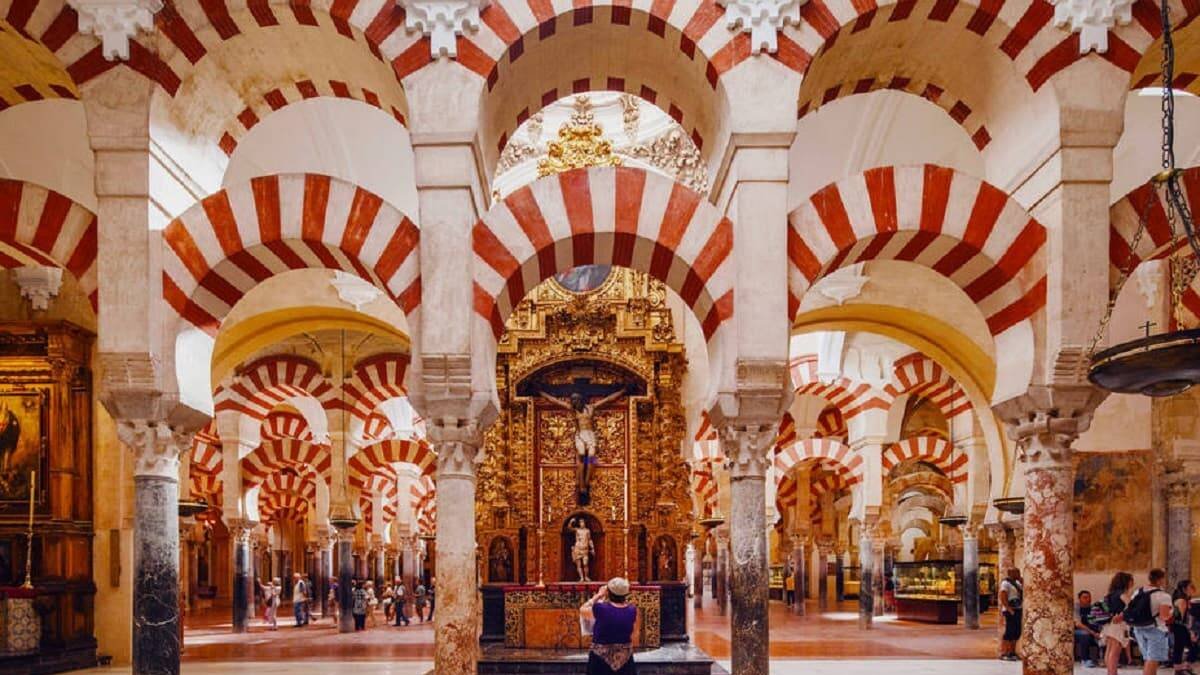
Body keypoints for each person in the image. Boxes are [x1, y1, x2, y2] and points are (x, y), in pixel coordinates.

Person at [580, 577, 638, 674]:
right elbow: (634, 631)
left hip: (601, 658)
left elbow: (583, 609)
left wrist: (598, 596)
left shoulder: (601, 608)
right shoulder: (632, 610)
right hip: (624, 657)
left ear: (608, 592)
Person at [1131, 569, 1174, 675]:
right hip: (1156, 629)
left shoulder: (1138, 591)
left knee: (1148, 659)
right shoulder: (1163, 596)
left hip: (1138, 628)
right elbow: (1164, 616)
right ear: (1160, 580)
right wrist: (1173, 612)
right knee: (1153, 660)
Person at [1100, 572, 1135, 675]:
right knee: (1115, 653)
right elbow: (1132, 608)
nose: (1132, 583)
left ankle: (1110, 672)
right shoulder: (1123, 594)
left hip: (1109, 625)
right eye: (1131, 581)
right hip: (1119, 625)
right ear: (1126, 582)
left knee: (1109, 650)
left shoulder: (1109, 595)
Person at [1171, 579, 1196, 674]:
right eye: (1191, 587)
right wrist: (1190, 631)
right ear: (1184, 589)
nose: (1193, 589)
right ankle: (1182, 668)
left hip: (1179, 626)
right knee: (1190, 647)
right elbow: (1183, 619)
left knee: (1180, 647)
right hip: (1180, 626)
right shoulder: (1182, 600)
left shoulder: (1184, 599)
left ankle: (1181, 669)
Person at [999, 568, 1023, 662]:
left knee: (1017, 631)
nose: (1018, 574)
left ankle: (1013, 652)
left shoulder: (1018, 583)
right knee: (1009, 631)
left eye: (1018, 572)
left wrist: (1022, 581)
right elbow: (1003, 596)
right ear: (1010, 573)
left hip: (1018, 608)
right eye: (1016, 572)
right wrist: (1009, 609)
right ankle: (1005, 652)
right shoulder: (1006, 583)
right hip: (1010, 610)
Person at [1076, 590, 1101, 668]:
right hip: (1078, 631)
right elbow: (1078, 624)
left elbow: (1099, 622)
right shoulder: (1076, 608)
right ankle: (1085, 659)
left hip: (1093, 631)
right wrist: (1093, 633)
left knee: (1108, 634)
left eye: (1089, 597)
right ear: (1079, 599)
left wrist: (1100, 632)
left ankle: (1104, 659)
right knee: (1085, 634)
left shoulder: (1094, 608)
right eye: (1085, 597)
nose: (1088, 599)